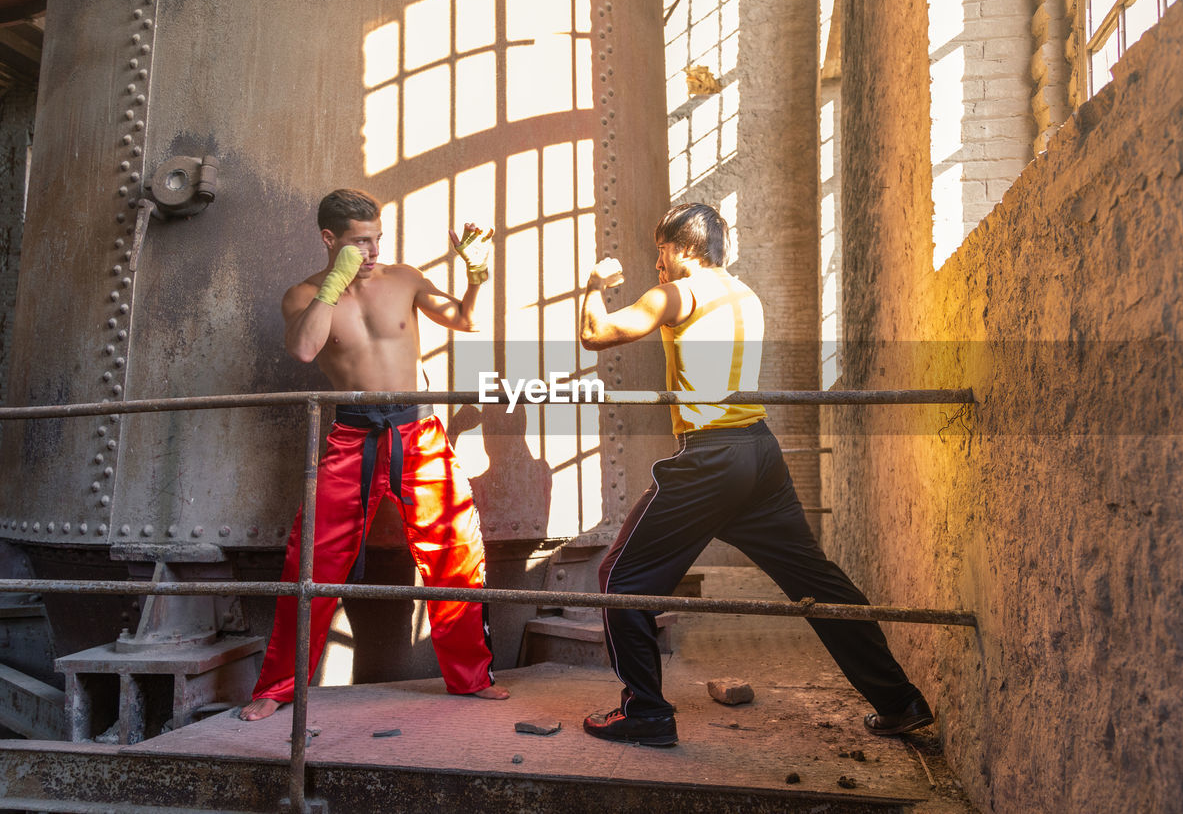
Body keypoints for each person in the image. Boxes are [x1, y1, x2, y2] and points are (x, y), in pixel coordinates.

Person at [577, 203, 932, 746]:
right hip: (760, 455)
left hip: (711, 458)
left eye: (662, 252)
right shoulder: (746, 295)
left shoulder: (679, 292)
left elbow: (597, 334)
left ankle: (646, 713)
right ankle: (899, 701)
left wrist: (595, 284)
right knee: (818, 583)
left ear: (687, 252)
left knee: (619, 580)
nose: (657, 265)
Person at [240, 188, 507, 720]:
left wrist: (477, 277)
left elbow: (465, 319)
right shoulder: (304, 295)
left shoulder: (403, 278)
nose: (373, 250)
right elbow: (304, 349)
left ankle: (470, 678)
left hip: (418, 432)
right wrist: (336, 283)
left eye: (378, 238)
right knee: (309, 561)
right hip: (352, 437)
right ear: (329, 239)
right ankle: (277, 689)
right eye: (360, 242)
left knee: (455, 552)